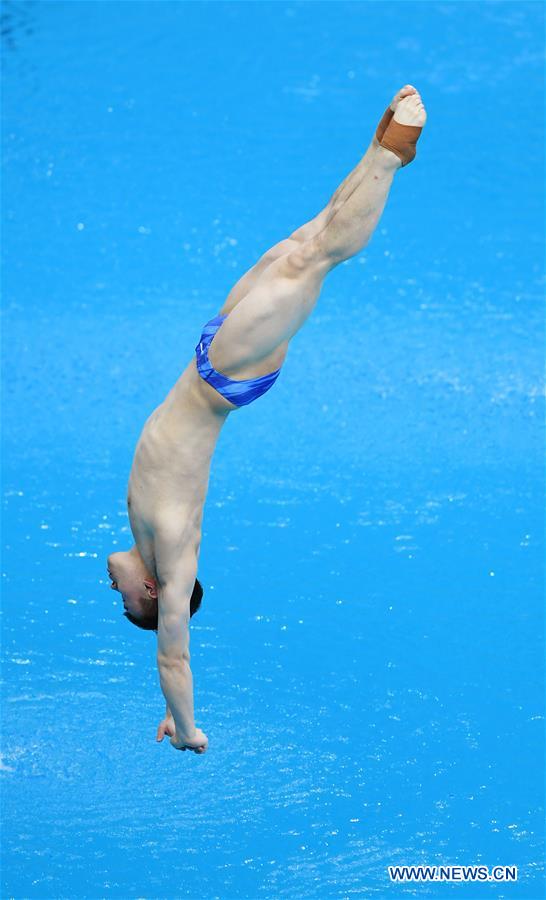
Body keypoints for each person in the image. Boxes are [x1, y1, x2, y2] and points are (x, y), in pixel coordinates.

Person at [107, 85, 427, 755]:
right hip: (227, 375)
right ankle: (394, 156)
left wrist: (169, 710)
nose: (117, 595)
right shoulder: (176, 552)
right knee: (317, 260)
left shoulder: (140, 528)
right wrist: (189, 730)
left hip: (209, 356)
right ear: (153, 591)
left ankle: (378, 149)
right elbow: (174, 658)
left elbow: (168, 672)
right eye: (128, 605)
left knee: (303, 241)